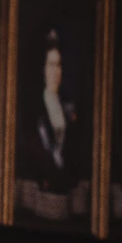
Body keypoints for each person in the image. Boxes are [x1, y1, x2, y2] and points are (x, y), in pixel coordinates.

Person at [34, 31, 79, 184]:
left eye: (58, 65)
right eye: (51, 65)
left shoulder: (68, 107)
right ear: (43, 69)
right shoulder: (37, 110)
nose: (55, 71)